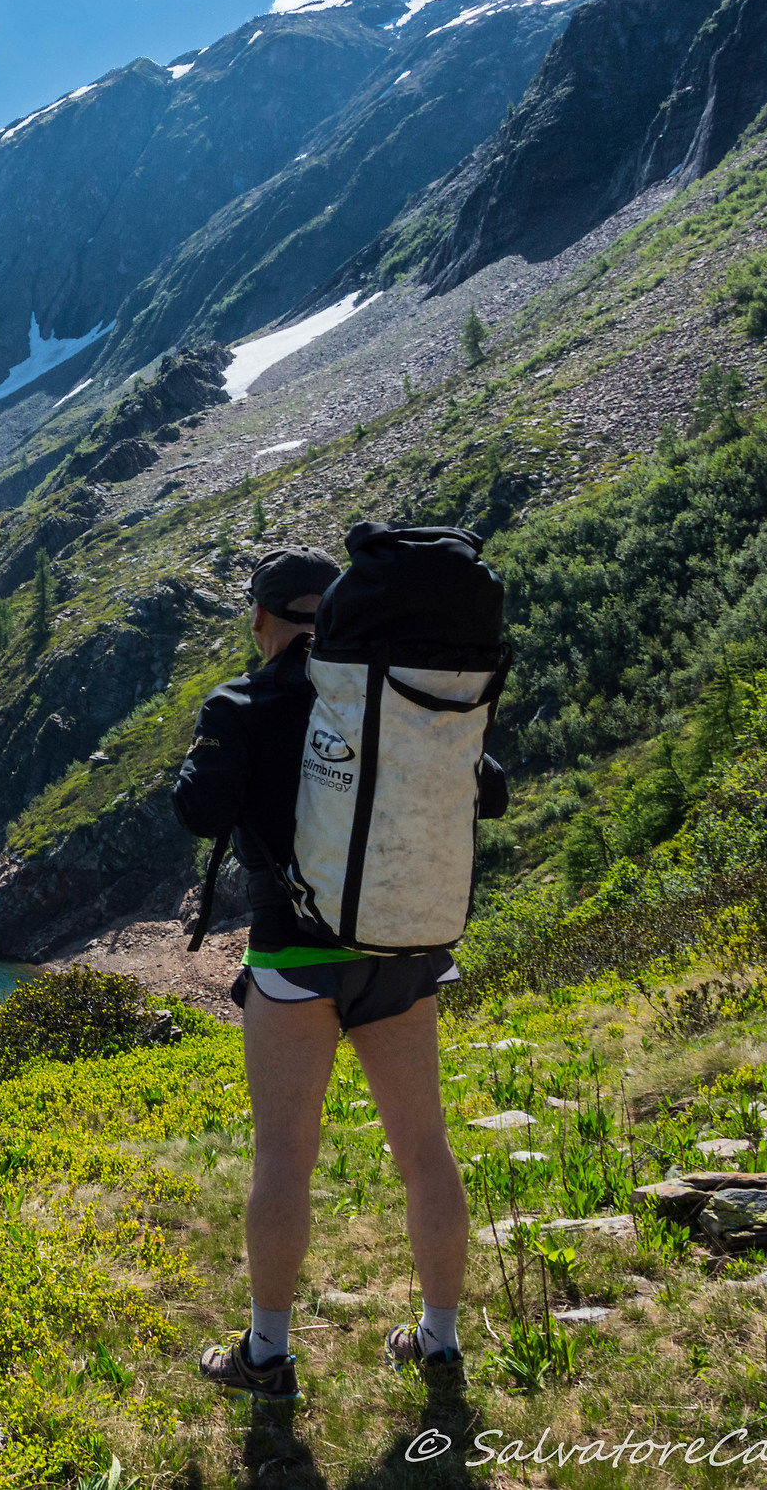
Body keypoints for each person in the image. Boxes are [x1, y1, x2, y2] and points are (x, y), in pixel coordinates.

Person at [171, 545, 506, 1402]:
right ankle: (438, 1340)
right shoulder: (386, 697)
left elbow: (199, 808)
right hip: (402, 953)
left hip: (293, 955)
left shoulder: (245, 699)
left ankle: (269, 1354)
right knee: (425, 1150)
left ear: (261, 618)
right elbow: (488, 789)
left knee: (285, 1153)